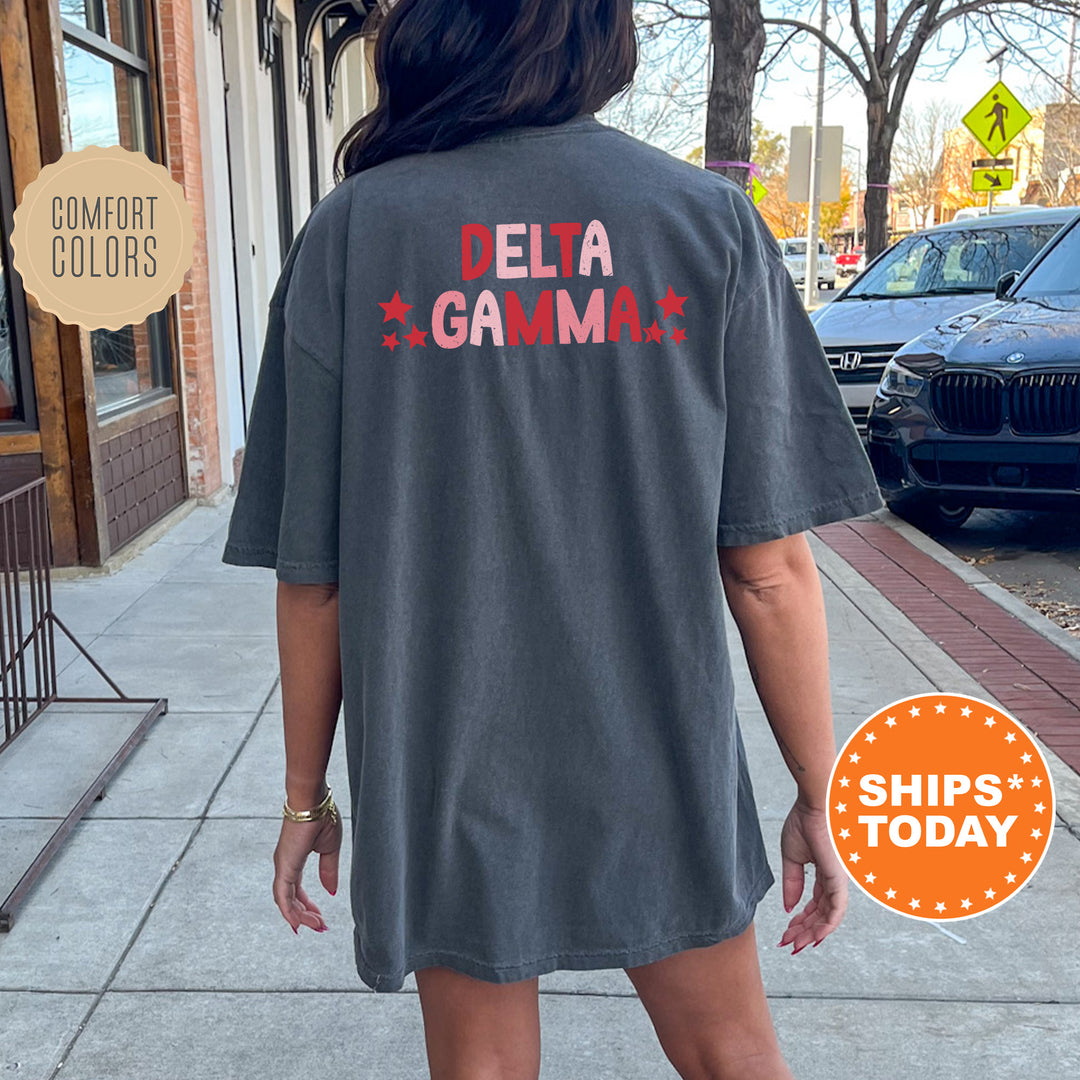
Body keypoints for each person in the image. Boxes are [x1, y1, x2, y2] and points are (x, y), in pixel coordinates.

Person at [220, 1, 884, 1076]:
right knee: (732, 1055)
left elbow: (316, 581)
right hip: (655, 748)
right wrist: (818, 792)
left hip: (447, 752)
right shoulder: (707, 223)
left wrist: (306, 797)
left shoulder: (354, 231)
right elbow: (769, 570)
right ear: (597, 36)